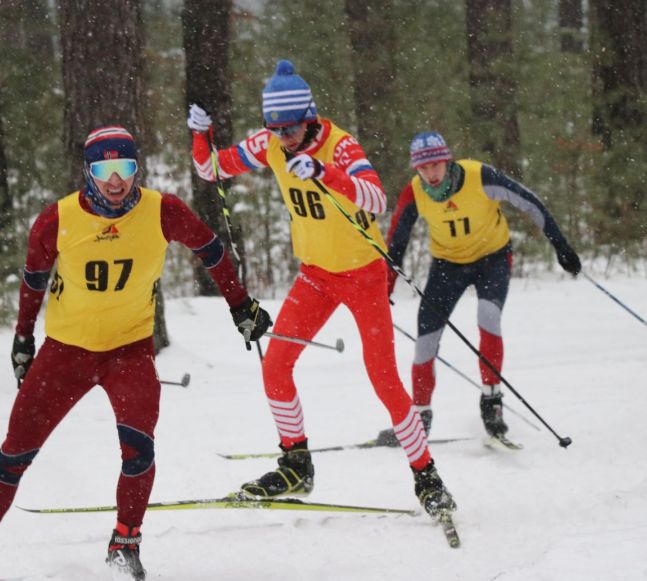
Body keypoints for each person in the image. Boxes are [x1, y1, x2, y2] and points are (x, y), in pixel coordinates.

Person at [0, 125, 270, 581]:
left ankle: (125, 545)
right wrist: (21, 339)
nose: (115, 181)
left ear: (138, 169)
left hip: (129, 351)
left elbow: (212, 250)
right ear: (88, 172)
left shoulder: (164, 211)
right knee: (16, 451)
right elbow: (33, 281)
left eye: (125, 168)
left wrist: (240, 305)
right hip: (65, 353)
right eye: (103, 169)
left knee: (139, 450)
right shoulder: (57, 219)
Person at [186, 59, 456, 520]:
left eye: (290, 128)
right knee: (275, 365)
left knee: (384, 379)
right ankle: (296, 464)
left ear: (308, 117)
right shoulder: (268, 141)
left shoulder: (341, 145)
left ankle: (426, 475)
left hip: (363, 274)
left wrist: (327, 173)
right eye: (276, 128)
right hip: (316, 275)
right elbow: (212, 169)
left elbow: (376, 198)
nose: (283, 137)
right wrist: (200, 134)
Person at [380, 131, 581, 442]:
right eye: (423, 168)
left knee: (488, 316)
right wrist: (385, 287)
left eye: (436, 165)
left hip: (493, 260)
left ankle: (492, 401)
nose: (430, 174)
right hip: (448, 266)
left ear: (447, 161)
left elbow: (529, 202)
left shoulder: (479, 176)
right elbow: (397, 241)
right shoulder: (415, 192)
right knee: (425, 340)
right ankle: (420, 415)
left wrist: (561, 246)